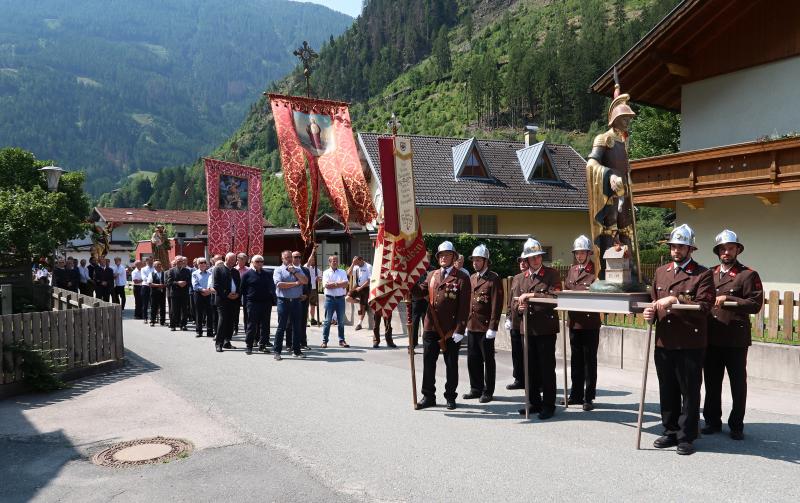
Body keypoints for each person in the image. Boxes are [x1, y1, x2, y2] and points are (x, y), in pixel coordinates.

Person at [643, 224, 715, 456]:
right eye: (673, 246)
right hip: (664, 340)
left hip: (689, 342)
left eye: (681, 247)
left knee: (689, 391)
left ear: (690, 249)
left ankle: (687, 436)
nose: (676, 250)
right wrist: (650, 314)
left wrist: (675, 299)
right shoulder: (661, 271)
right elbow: (655, 301)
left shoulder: (702, 274)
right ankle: (671, 430)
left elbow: (705, 306)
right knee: (667, 389)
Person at [702, 230, 763, 441]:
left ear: (738, 250)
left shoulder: (748, 275)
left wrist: (729, 299)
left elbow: (755, 304)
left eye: (730, 248)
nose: (726, 252)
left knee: (737, 384)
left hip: (735, 339)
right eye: (722, 249)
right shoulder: (709, 273)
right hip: (712, 337)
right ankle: (712, 421)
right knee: (711, 382)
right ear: (718, 252)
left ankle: (736, 425)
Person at [586, 82, 641, 282]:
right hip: (609, 194)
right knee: (609, 229)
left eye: (629, 118)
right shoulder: (603, 139)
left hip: (624, 193)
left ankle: (630, 271)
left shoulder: (623, 144)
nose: (627, 122)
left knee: (627, 230)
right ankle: (606, 272)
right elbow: (591, 164)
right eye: (624, 118)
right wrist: (609, 176)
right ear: (615, 118)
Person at [412, 241, 471, 410]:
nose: (444, 258)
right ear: (438, 258)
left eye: (447, 255)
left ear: (454, 257)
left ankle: (450, 396)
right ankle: (428, 395)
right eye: (441, 255)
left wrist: (460, 329)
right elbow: (420, 292)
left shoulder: (462, 277)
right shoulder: (432, 275)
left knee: (451, 364)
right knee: (428, 363)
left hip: (450, 329)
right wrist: (409, 283)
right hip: (431, 326)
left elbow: (464, 307)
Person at [513, 238, 562, 420]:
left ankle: (549, 405)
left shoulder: (551, 274)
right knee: (529, 368)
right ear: (526, 259)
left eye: (538, 256)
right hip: (527, 328)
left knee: (546, 368)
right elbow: (514, 302)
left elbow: (555, 296)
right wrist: (519, 308)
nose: (536, 260)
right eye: (532, 257)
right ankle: (534, 402)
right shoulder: (520, 278)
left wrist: (531, 295)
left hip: (545, 328)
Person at [564, 235, 602, 411]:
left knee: (589, 361)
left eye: (582, 252)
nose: (579, 256)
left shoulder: (596, 270)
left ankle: (589, 397)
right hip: (574, 321)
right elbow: (567, 288)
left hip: (589, 322)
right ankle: (575, 395)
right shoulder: (572, 270)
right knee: (576, 360)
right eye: (577, 253)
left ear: (589, 253)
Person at [463, 244, 504, 404]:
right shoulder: (472, 278)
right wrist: (466, 323)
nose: (475, 263)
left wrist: (493, 327)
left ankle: (488, 391)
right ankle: (476, 388)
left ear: (486, 261)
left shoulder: (493, 279)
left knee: (488, 360)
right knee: (473, 359)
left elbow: (496, 305)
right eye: (474, 260)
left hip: (486, 327)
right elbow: (469, 302)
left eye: (478, 260)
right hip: (472, 325)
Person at [272, 250, 308, 360]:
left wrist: (295, 272)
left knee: (297, 327)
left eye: (290, 257)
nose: (288, 259)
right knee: (282, 326)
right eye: (286, 257)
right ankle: (277, 351)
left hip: (296, 301)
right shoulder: (278, 270)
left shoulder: (297, 270)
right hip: (284, 301)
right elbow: (279, 285)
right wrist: (296, 283)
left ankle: (297, 351)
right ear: (282, 259)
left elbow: (305, 281)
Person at [240, 254, 275, 354]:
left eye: (261, 261)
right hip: (252, 303)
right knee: (252, 325)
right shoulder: (246, 274)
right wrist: (246, 301)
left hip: (266, 303)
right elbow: (242, 289)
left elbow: (272, 287)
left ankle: (262, 345)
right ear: (252, 263)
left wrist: (272, 299)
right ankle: (249, 345)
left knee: (265, 325)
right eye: (257, 261)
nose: (260, 263)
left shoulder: (268, 274)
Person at [504, 256, 529, 390]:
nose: (522, 263)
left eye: (525, 261)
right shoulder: (516, 278)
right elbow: (511, 299)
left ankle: (535, 381)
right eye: (520, 261)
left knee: (529, 353)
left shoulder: (531, 278)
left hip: (527, 321)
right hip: (515, 321)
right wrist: (508, 316)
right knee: (517, 352)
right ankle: (519, 378)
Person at [213, 253, 241, 352]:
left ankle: (227, 341)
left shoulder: (235, 271)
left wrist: (237, 294)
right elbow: (216, 285)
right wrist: (227, 294)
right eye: (232, 259)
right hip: (222, 300)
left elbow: (239, 285)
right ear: (226, 259)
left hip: (234, 299)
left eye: (235, 259)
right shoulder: (218, 269)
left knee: (231, 321)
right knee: (223, 320)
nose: (234, 261)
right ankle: (219, 343)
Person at [321, 254, 350, 349]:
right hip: (330, 299)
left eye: (337, 261)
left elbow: (346, 284)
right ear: (329, 262)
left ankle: (342, 340)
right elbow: (326, 286)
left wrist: (334, 284)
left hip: (340, 299)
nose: (335, 262)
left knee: (341, 321)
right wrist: (339, 284)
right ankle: (325, 341)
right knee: (327, 321)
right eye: (333, 261)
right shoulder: (326, 272)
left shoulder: (342, 272)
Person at [410, 252, 434, 349]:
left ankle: (426, 343)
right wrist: (422, 294)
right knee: (415, 322)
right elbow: (414, 283)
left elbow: (434, 284)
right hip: (417, 299)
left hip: (428, 300)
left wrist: (428, 295)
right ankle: (413, 343)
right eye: (425, 258)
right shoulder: (416, 269)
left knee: (427, 322)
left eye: (428, 258)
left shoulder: (433, 270)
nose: (426, 260)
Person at [191, 257, 215, 338]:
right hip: (198, 294)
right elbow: (195, 285)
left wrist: (208, 291)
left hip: (209, 294)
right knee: (199, 313)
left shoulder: (210, 273)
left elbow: (212, 283)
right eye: (201, 262)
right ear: (198, 264)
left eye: (205, 262)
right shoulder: (194, 273)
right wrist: (203, 290)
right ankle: (199, 331)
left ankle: (210, 331)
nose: (203, 264)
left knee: (209, 313)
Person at [167, 256, 191, 331]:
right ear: (175, 261)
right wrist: (177, 283)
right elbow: (169, 282)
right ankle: (173, 325)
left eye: (181, 261)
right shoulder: (171, 270)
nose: (180, 262)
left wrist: (185, 283)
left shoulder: (187, 270)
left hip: (184, 293)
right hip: (175, 293)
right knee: (174, 310)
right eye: (178, 261)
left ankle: (183, 325)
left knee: (184, 310)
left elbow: (190, 281)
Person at [348, 256, 371, 330]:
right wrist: (352, 264)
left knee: (362, 307)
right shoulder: (356, 266)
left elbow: (369, 280)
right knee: (348, 298)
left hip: (365, 288)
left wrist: (361, 288)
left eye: (357, 263)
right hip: (357, 286)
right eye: (356, 263)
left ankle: (359, 323)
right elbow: (349, 273)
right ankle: (361, 302)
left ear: (361, 260)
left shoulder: (368, 266)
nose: (357, 264)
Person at [233, 253, 249, 335]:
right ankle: (235, 328)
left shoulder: (249, 270)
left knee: (246, 311)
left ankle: (247, 329)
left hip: (246, 292)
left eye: (244, 259)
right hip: (236, 292)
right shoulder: (234, 269)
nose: (242, 261)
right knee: (235, 311)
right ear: (237, 260)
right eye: (241, 259)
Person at [305, 251, 321, 326]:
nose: (313, 261)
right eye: (312, 259)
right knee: (306, 305)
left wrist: (319, 279)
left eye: (314, 260)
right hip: (307, 288)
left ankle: (312, 319)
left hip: (314, 289)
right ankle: (306, 319)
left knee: (313, 305)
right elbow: (308, 262)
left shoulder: (318, 270)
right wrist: (313, 251)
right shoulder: (307, 267)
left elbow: (320, 279)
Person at [149, 261, 167, 326]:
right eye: (157, 265)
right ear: (154, 266)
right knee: (154, 307)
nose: (159, 266)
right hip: (154, 293)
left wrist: (163, 285)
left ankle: (162, 321)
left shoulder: (164, 273)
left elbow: (167, 282)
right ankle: (152, 321)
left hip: (162, 293)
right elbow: (150, 284)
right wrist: (159, 285)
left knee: (162, 307)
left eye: (160, 264)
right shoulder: (151, 274)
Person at [140, 257, 154, 324]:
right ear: (146, 261)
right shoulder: (143, 269)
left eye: (152, 261)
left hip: (153, 286)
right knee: (145, 304)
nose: (151, 262)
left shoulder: (155, 268)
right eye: (149, 261)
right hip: (145, 286)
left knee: (153, 303)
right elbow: (144, 278)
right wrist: (151, 280)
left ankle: (153, 318)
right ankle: (145, 318)